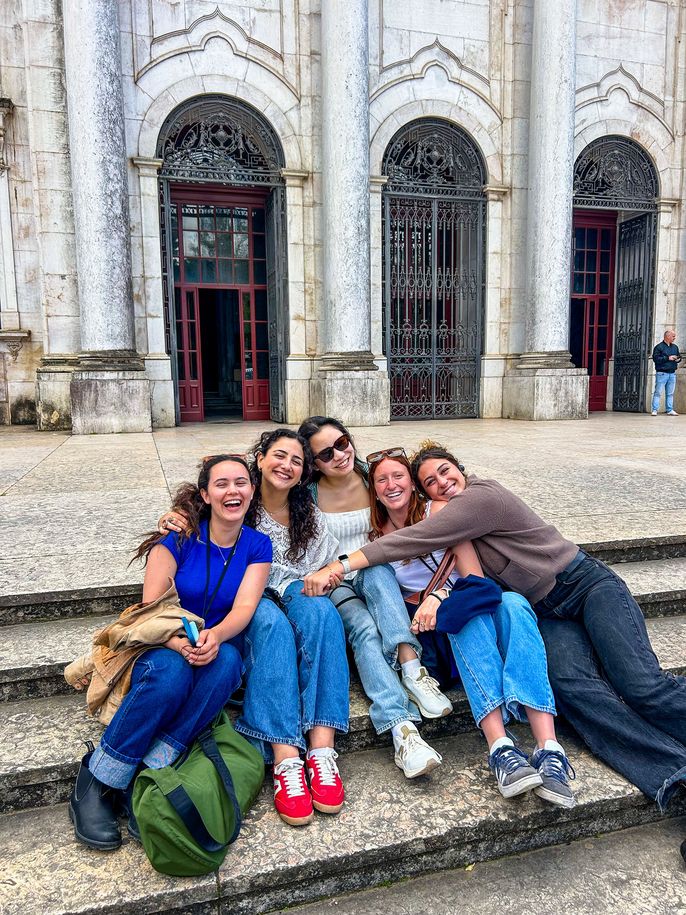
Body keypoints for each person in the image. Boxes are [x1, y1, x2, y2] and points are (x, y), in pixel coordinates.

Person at [307, 441, 686, 811]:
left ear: (460, 470)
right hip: (548, 611)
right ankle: (674, 775)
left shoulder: (483, 496)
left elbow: (416, 539)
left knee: (640, 684)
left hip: (584, 585)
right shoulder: (448, 517)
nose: (441, 482)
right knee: (576, 689)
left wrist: (340, 565)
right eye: (431, 481)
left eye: (445, 471)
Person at [69, 455, 271, 851]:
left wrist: (215, 636)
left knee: (229, 660)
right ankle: (99, 780)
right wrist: (179, 641)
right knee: (171, 672)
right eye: (222, 484)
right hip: (161, 640)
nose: (233, 491)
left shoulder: (257, 544)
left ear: (252, 490)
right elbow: (153, 608)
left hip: (212, 644)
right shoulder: (176, 539)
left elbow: (244, 608)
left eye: (242, 483)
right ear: (205, 494)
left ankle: (149, 770)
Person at [362, 448, 575, 806]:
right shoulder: (375, 537)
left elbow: (473, 577)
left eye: (398, 476)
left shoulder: (442, 512)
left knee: (514, 603)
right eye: (381, 480)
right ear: (375, 491)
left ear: (413, 485)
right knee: (466, 616)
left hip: (462, 604)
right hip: (435, 634)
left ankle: (548, 748)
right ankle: (501, 748)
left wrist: (440, 595)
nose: (391, 485)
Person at [160, 430, 350, 827]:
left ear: (303, 473)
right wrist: (174, 516)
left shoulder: (306, 513)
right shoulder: (238, 495)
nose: (287, 466)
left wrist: (328, 575)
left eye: (297, 461)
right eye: (279, 456)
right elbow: (194, 510)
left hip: (291, 588)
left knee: (322, 614)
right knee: (269, 623)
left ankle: (321, 750)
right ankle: (285, 758)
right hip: (245, 599)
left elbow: (333, 558)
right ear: (260, 459)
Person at [298, 416, 452, 779]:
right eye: (325, 453)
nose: (339, 455)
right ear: (312, 462)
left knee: (378, 568)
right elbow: (254, 495)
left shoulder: (374, 475)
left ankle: (412, 671)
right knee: (365, 629)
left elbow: (447, 486)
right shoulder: (307, 495)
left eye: (342, 442)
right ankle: (403, 732)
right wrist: (184, 511)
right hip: (336, 583)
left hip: (380, 575)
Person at [651, 329, 681, 415]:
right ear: (667, 336)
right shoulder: (659, 347)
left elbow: (679, 357)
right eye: (673, 336)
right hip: (662, 373)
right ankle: (655, 410)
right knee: (658, 392)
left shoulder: (675, 347)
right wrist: (668, 358)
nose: (674, 338)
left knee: (670, 393)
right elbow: (656, 359)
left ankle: (670, 410)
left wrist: (678, 359)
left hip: (672, 373)